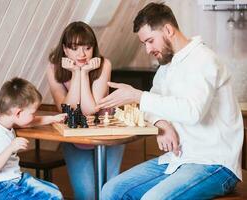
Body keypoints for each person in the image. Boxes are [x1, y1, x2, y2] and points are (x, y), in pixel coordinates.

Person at [98, 2, 243, 200]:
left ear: (168, 30)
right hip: (178, 159)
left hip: (214, 163)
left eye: (150, 41)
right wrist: (162, 123)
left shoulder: (204, 59)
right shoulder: (166, 68)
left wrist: (138, 96)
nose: (148, 49)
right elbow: (150, 108)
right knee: (111, 190)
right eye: (144, 44)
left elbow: (193, 112)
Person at [47, 21, 124, 199]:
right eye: (75, 48)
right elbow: (67, 111)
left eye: (87, 48)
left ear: (93, 48)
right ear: (65, 49)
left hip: (106, 133)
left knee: (109, 190)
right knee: (86, 193)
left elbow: (90, 109)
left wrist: (84, 72)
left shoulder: (104, 64)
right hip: (75, 135)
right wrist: (76, 74)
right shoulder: (54, 67)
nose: (82, 54)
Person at [0, 77, 66, 200]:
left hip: (13, 181)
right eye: (32, 113)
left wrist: (53, 119)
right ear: (18, 113)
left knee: (54, 190)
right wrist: (11, 147)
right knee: (53, 197)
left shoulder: (3, 119)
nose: (34, 116)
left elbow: (28, 122)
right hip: (2, 189)